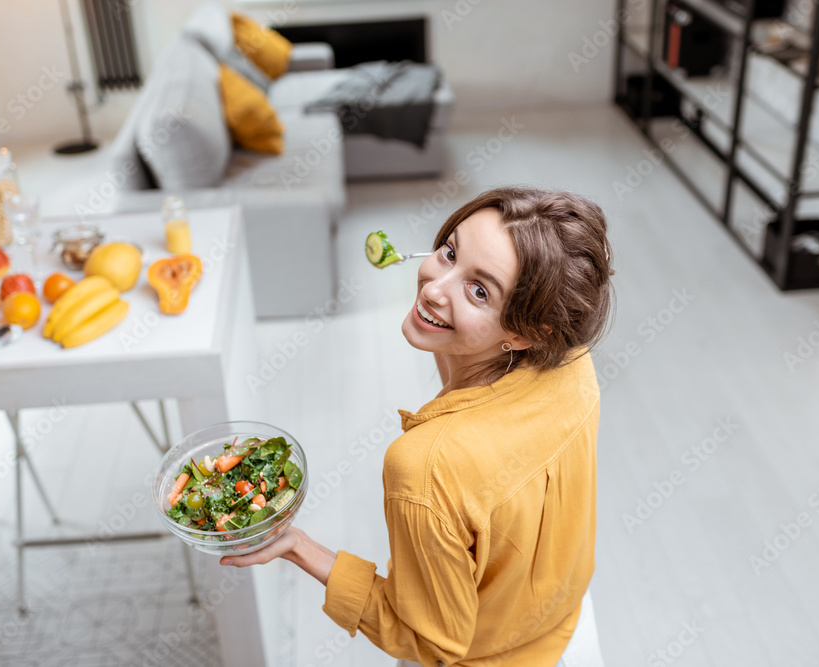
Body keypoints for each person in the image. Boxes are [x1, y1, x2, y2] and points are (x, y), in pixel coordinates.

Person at [221, 186, 616, 666]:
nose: (432, 286)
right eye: (449, 252)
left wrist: (301, 548)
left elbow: (430, 643)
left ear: (526, 333)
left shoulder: (426, 465)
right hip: (569, 632)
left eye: (478, 290)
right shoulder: (573, 362)